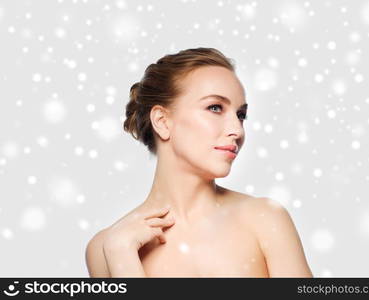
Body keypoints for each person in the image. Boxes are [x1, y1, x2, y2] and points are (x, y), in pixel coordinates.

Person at [85, 47, 313, 278]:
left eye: (240, 115)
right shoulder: (107, 246)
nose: (237, 130)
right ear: (162, 121)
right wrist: (121, 254)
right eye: (215, 108)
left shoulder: (265, 219)